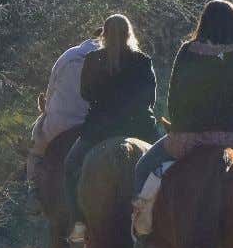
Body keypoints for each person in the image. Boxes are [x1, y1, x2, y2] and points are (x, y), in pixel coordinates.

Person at [131, 0, 233, 235]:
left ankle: (141, 232)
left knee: (143, 167)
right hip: (230, 138)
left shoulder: (187, 50)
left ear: (203, 23)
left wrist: (185, 123)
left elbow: (173, 98)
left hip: (185, 140)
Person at [62, 14, 160, 199]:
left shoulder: (92, 59)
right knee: (170, 164)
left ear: (104, 34)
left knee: (70, 167)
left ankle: (78, 221)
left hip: (99, 129)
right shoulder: (142, 60)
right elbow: (149, 99)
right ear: (129, 33)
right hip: (139, 127)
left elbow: (86, 94)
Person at [26, 29, 103, 187]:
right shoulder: (109, 59)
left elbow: (51, 90)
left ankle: (31, 188)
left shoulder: (68, 55)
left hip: (58, 125)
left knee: (35, 148)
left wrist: (47, 109)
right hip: (90, 124)